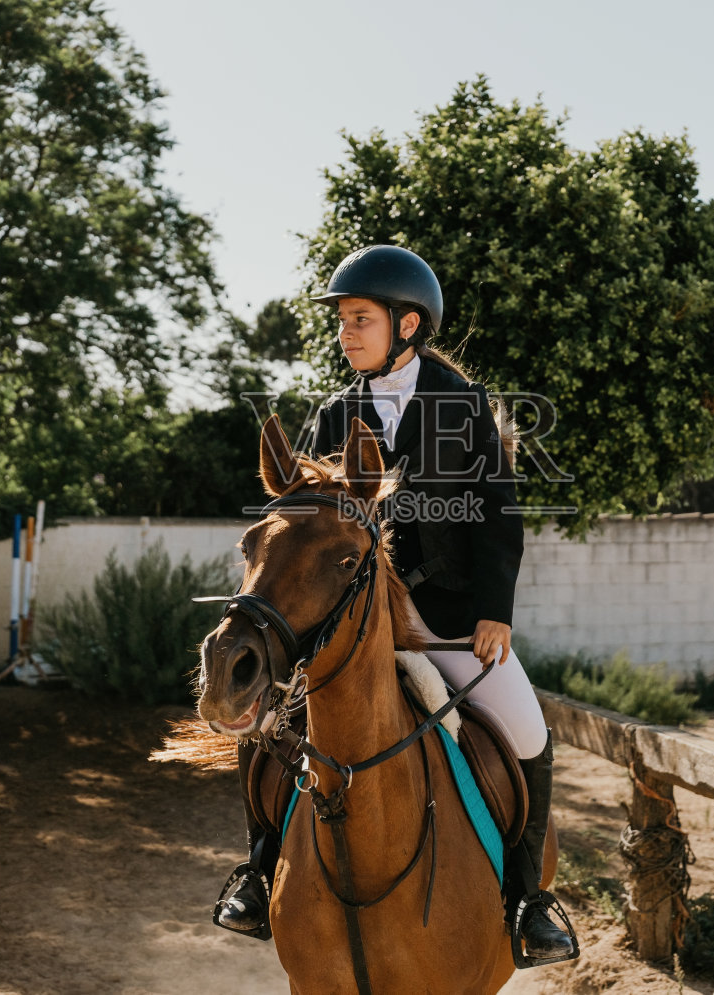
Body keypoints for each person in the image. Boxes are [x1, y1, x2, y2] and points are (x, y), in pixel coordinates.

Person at [213, 245, 578, 964]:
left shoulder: (463, 407)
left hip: (446, 623)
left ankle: (528, 901)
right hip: (349, 627)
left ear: (408, 324)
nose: (345, 334)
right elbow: (311, 519)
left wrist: (494, 612)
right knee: (264, 735)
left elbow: (498, 518)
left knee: (530, 733)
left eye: (359, 319)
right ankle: (258, 869)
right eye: (343, 321)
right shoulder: (334, 413)